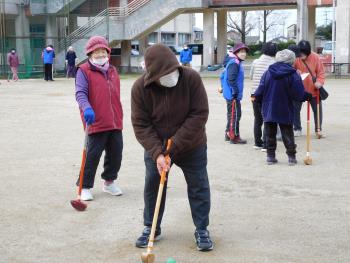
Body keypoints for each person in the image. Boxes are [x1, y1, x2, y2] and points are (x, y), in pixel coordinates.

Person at [131, 44, 213, 251]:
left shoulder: (191, 78)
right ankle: (151, 226)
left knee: (198, 184)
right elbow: (141, 125)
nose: (170, 75)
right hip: (157, 147)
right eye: (164, 73)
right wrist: (158, 153)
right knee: (153, 185)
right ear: (152, 73)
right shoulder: (140, 88)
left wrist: (174, 146)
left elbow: (199, 114)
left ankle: (202, 228)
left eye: (172, 70)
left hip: (191, 145)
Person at [75, 36, 123, 201]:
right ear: (90, 54)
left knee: (116, 153)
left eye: (103, 51)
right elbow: (80, 93)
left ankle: (109, 182)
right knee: (92, 155)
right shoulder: (83, 71)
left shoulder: (113, 70)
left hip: (115, 120)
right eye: (97, 52)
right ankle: (84, 186)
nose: (101, 55)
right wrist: (86, 107)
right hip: (95, 120)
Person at [254, 49, 313, 165]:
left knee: (270, 133)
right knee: (287, 133)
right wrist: (307, 96)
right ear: (292, 60)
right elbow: (298, 94)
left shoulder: (268, 72)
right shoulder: (293, 74)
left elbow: (260, 89)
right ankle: (291, 157)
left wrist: (257, 98)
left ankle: (270, 157)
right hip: (285, 107)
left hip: (269, 107)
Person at [294, 40, 326, 137]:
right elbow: (290, 69)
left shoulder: (315, 57)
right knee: (295, 109)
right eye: (300, 53)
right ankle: (297, 128)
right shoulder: (296, 57)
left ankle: (318, 129)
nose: (301, 56)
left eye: (303, 54)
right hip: (299, 89)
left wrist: (319, 82)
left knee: (317, 110)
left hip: (313, 89)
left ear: (308, 52)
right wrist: (295, 72)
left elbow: (321, 73)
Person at [250, 42, 278, 150]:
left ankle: (257, 143)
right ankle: (266, 144)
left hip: (254, 94)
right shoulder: (274, 63)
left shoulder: (255, 62)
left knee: (257, 119)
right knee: (267, 119)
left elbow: (251, 76)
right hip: (267, 95)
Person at [221, 43, 249, 144]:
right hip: (233, 95)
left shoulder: (235, 62)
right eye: (241, 52)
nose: (244, 54)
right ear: (236, 53)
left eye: (245, 52)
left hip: (230, 94)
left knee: (231, 114)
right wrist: (235, 92)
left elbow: (225, 76)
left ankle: (228, 133)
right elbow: (231, 79)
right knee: (236, 115)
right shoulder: (234, 63)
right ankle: (235, 136)